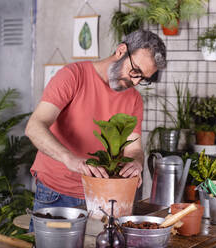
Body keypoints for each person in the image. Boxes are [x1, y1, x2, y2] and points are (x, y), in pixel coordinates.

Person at [25, 30, 166, 229]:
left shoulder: (133, 99)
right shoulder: (73, 76)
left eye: (143, 78)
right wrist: (70, 159)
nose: (135, 82)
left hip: (107, 200)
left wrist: (136, 162)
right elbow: (34, 126)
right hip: (58, 194)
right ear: (121, 51)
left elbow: (133, 149)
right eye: (135, 72)